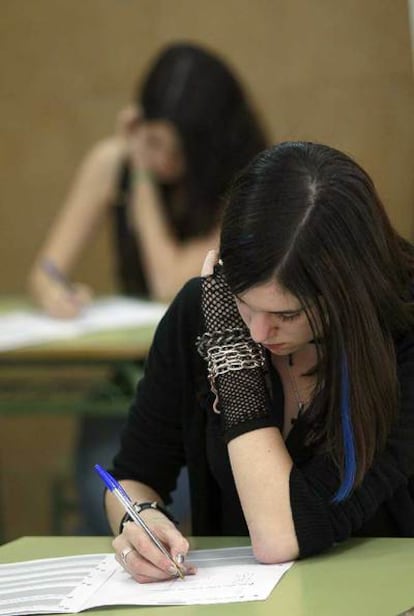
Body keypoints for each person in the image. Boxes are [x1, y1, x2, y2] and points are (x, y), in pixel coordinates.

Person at [104, 141, 414, 582]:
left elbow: (281, 535)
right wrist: (140, 518)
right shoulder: (204, 310)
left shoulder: (400, 339)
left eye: (287, 314)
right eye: (245, 304)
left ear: (350, 292)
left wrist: (234, 366)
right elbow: (132, 476)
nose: (258, 334)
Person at [28, 42, 267, 534]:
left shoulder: (248, 178)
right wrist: (56, 291)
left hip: (215, 369)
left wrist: (138, 178)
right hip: (133, 373)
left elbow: (173, 284)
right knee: (114, 480)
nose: (160, 160)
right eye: (152, 143)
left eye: (174, 149)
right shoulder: (109, 161)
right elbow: (45, 270)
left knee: (186, 503)